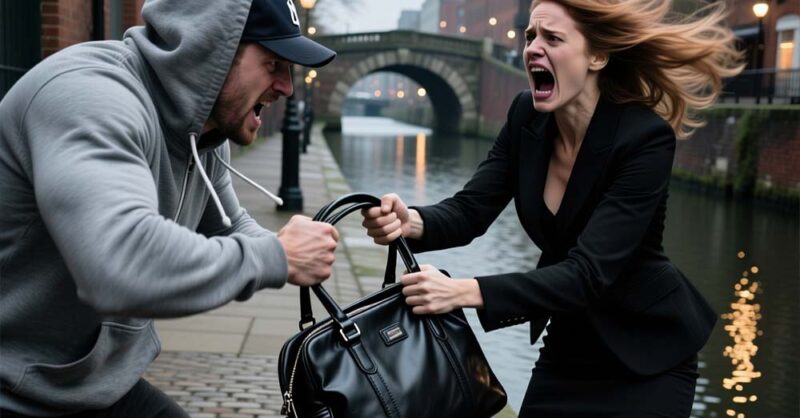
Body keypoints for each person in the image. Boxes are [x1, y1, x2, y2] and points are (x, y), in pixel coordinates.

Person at [362, 0, 743, 416]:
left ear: (597, 56)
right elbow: (471, 210)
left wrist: (462, 292)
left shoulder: (644, 138)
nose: (532, 48)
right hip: (569, 342)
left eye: (553, 38)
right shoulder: (526, 116)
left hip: (648, 354)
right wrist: (411, 221)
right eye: (530, 36)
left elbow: (588, 272)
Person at [0, 0, 338, 416]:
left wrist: (296, 243)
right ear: (211, 49)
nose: (286, 87)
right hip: (12, 386)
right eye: (273, 65)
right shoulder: (90, 96)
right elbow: (120, 263)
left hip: (86, 384)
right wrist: (278, 256)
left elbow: (229, 225)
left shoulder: (203, 134)